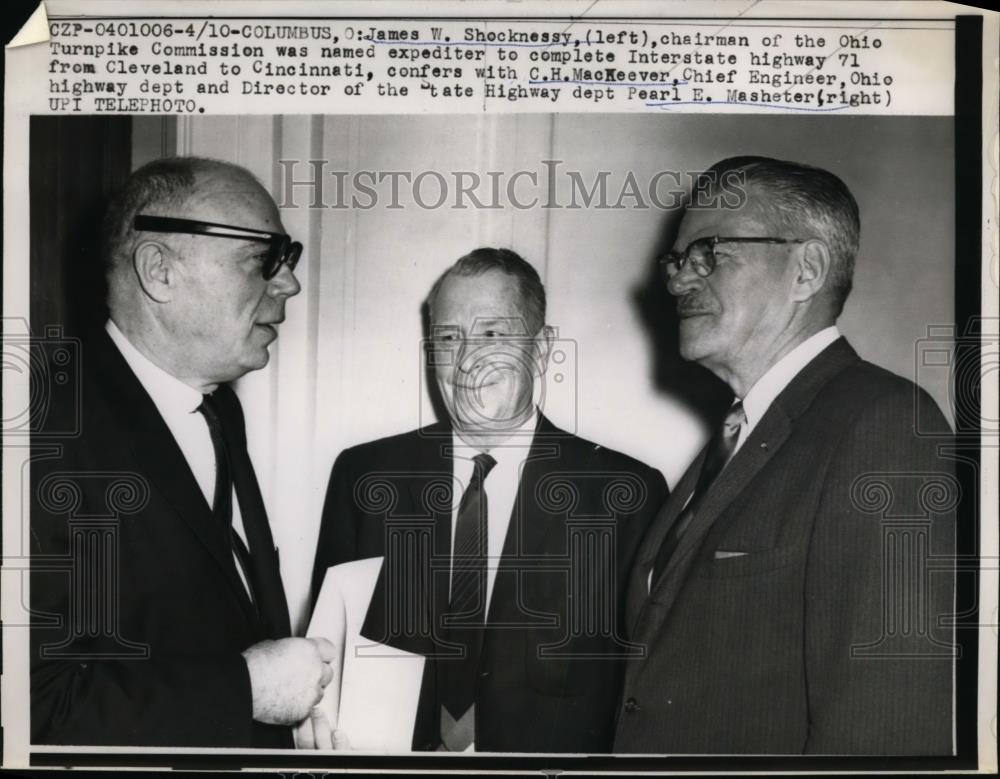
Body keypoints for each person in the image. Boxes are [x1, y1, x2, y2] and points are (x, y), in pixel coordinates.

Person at [614, 157, 956, 754]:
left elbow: (884, 726)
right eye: (678, 259)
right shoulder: (739, 435)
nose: (678, 280)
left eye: (710, 252)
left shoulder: (885, 425)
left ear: (807, 270)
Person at [308, 248, 667, 752]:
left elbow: (641, 686)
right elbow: (327, 655)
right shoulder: (365, 476)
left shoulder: (624, 495)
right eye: (448, 338)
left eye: (493, 335)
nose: (467, 360)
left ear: (541, 349)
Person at [30, 157, 336, 747]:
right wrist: (245, 692)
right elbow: (33, 706)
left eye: (287, 259)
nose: (288, 284)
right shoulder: (41, 434)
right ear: (159, 271)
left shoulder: (218, 407)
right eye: (262, 259)